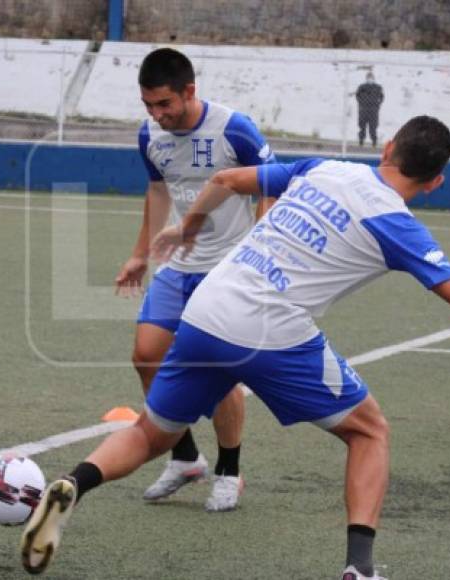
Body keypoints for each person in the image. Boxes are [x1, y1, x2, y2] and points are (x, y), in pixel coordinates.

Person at [20, 116, 450, 578]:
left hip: (208, 305)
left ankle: (74, 481)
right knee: (369, 431)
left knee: (152, 431)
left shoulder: (327, 167)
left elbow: (225, 181)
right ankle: (359, 568)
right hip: (270, 328)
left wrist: (187, 228)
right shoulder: (396, 223)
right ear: (436, 181)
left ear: (389, 145)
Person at [113, 47, 275, 511]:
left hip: (229, 268)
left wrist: (259, 250)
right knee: (145, 356)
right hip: (179, 266)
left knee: (218, 370)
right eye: (148, 105)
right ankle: (185, 458)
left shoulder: (233, 129)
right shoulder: (150, 136)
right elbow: (158, 191)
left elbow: (269, 185)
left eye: (163, 104)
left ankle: (229, 469)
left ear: (189, 91)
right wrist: (140, 254)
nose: (156, 115)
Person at [355, 72, 384, 148]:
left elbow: (382, 97)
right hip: (363, 110)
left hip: (373, 110)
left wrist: (377, 104)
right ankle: (361, 141)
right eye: (368, 77)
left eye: (371, 77)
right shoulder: (362, 87)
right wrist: (361, 102)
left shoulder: (377, 87)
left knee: (373, 127)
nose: (370, 79)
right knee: (362, 126)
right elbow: (357, 95)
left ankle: (374, 142)